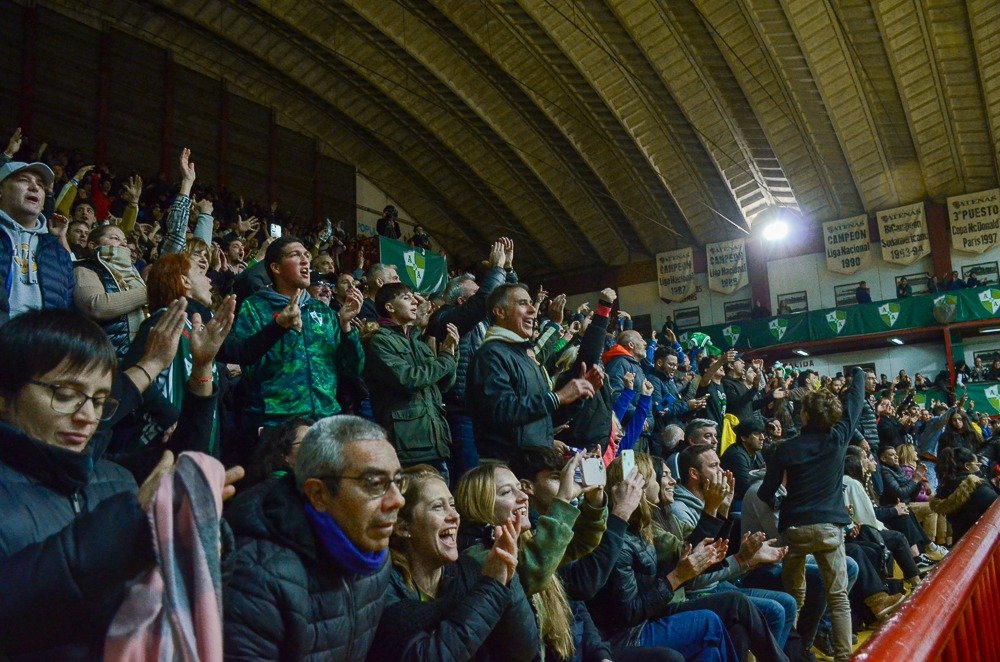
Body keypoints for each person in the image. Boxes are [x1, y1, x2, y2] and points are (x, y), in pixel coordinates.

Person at [0, 308, 235, 657]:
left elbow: (179, 464)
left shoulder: (114, 477)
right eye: (65, 394)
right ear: (5, 397)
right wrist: (132, 529)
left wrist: (205, 538)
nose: (87, 416)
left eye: (99, 401)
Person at [223, 416, 405, 659]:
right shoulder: (259, 575)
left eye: (398, 481)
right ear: (318, 494)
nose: (398, 500)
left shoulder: (376, 559)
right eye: (374, 483)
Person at [369, 466, 540, 660]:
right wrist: (492, 587)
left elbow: (524, 650)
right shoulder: (382, 586)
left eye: (452, 505)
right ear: (403, 526)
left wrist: (507, 577)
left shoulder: (469, 570)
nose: (454, 516)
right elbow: (427, 656)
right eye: (438, 507)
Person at [758, 367, 866, 662]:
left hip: (795, 529)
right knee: (838, 598)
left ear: (804, 416)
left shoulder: (785, 448)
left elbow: (764, 493)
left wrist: (781, 505)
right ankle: (844, 657)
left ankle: (793, 652)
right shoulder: (838, 438)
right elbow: (856, 402)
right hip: (831, 528)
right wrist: (856, 375)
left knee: (794, 598)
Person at [232, 236, 364, 431]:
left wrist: (345, 327)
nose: (305, 260)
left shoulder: (323, 311)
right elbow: (253, 369)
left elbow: (352, 370)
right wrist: (285, 330)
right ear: (276, 268)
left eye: (307, 255)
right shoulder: (255, 308)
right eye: (295, 255)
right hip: (277, 424)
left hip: (326, 423)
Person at [466, 284, 594, 461]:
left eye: (530, 303)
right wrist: (557, 397)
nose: (533, 309)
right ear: (500, 312)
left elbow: (546, 418)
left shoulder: (526, 357)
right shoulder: (490, 354)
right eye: (522, 303)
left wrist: (578, 395)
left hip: (535, 461)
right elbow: (501, 410)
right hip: (508, 466)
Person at [364, 282, 459, 476]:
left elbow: (444, 384)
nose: (415, 301)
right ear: (389, 307)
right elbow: (409, 379)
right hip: (408, 446)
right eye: (406, 298)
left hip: (436, 441)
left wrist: (450, 351)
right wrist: (446, 359)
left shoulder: (418, 342)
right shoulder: (380, 340)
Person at [0, 160, 74, 325]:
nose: (35, 188)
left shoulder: (58, 253)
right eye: (24, 180)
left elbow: (66, 311)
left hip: (45, 347)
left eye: (40, 185)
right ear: (1, 190)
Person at [73, 224, 147, 358]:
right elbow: (95, 306)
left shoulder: (133, 272)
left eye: (124, 240)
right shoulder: (84, 268)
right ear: (93, 245)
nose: (124, 244)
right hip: (102, 358)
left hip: (135, 356)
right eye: (115, 238)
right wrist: (149, 292)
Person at [931, 447, 1000, 541]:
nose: (979, 468)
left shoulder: (947, 486)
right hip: (982, 540)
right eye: (977, 464)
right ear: (967, 466)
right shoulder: (975, 486)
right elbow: (996, 507)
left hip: (960, 539)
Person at [720, 419, 767, 509]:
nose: (762, 437)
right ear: (743, 437)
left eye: (762, 433)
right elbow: (745, 487)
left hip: (747, 497)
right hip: (733, 501)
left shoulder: (756, 452)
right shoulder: (737, 455)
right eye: (756, 434)